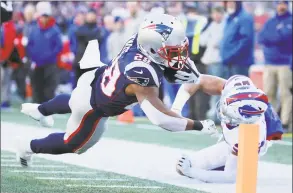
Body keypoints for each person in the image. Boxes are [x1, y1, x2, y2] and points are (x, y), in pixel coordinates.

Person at [17, 13, 218, 167]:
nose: (179, 54)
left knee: (73, 100)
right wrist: (199, 125)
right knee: (74, 144)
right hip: (94, 108)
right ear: (153, 49)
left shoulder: (141, 39)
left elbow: (166, 61)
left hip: (95, 77)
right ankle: (27, 147)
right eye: (174, 51)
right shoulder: (142, 74)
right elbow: (162, 119)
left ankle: (40, 110)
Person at [173, 75, 283, 183]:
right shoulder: (237, 85)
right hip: (244, 132)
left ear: (242, 119)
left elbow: (230, 176)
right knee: (184, 163)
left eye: (228, 112)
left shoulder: (246, 138)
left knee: (185, 168)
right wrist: (176, 109)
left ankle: (224, 163)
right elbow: (197, 80)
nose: (223, 111)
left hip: (247, 143)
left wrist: (191, 172)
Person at [258, 0, 292, 131]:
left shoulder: (290, 21)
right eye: (279, 3)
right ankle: (271, 120)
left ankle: (285, 122)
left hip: (285, 63)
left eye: (283, 3)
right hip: (269, 63)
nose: (281, 6)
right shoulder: (270, 21)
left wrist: (273, 36)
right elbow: (261, 37)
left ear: (287, 5)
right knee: (269, 93)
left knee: (286, 93)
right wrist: (278, 36)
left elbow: (286, 37)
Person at [26, 2, 62, 103]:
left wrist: (48, 56)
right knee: (37, 86)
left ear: (49, 18)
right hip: (37, 64)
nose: (43, 19)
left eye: (46, 16)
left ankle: (48, 108)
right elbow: (30, 45)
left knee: (49, 87)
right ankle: (37, 107)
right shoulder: (34, 30)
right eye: (42, 16)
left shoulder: (55, 30)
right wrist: (34, 56)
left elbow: (58, 47)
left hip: (50, 64)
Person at [200, 6, 225, 123]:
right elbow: (202, 40)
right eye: (214, 13)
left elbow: (218, 42)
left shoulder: (225, 25)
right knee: (209, 90)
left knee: (217, 90)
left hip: (218, 61)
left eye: (219, 13)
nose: (216, 16)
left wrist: (212, 42)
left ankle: (215, 115)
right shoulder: (211, 25)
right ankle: (212, 113)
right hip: (209, 61)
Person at [220, 1, 254, 78]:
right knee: (229, 88)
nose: (229, 5)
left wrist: (231, 55)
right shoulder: (230, 18)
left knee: (239, 88)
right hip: (229, 62)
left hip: (239, 63)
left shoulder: (244, 18)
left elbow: (246, 41)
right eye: (227, 3)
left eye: (232, 2)